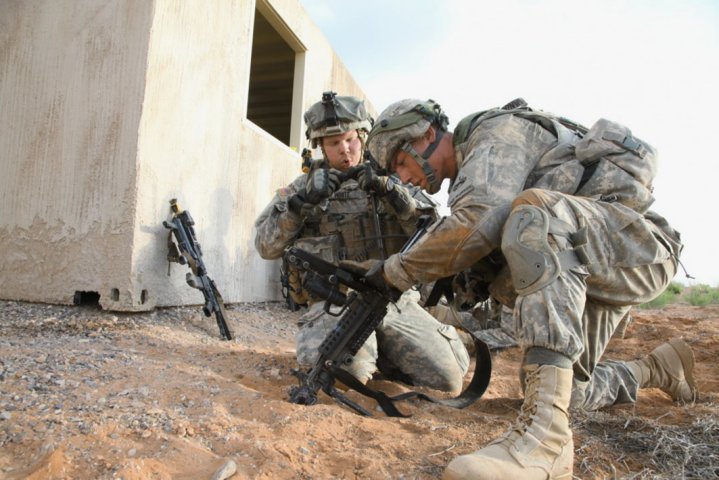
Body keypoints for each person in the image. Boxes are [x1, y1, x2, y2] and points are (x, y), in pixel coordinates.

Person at [362, 98, 697, 479]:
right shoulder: (469, 182)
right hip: (588, 264)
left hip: (638, 250)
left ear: (424, 135)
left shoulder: (495, 133)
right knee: (568, 393)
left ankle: (547, 444)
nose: (404, 178)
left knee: (537, 214)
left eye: (401, 163)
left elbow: (478, 223)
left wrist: (395, 270)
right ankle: (657, 369)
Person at [254, 92, 469, 394]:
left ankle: (384, 353)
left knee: (448, 380)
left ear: (363, 136)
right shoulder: (302, 189)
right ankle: (368, 356)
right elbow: (266, 247)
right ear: (320, 146)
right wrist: (298, 207)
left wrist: (396, 197)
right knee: (344, 376)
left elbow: (437, 235)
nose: (345, 149)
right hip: (335, 303)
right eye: (333, 143)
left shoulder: (396, 176)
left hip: (396, 301)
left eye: (350, 139)